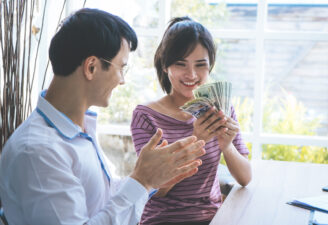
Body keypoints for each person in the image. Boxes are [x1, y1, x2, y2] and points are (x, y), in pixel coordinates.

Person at [0, 9, 207, 225]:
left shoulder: (78, 130)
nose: (122, 81)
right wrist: (142, 181)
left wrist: (151, 179)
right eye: (121, 68)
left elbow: (99, 198)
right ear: (91, 67)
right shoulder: (38, 151)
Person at [131, 17, 252, 225]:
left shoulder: (221, 109)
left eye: (200, 65)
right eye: (181, 64)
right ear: (165, 65)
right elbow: (154, 190)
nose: (192, 74)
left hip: (214, 217)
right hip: (163, 220)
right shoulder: (146, 116)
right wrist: (196, 140)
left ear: (210, 66)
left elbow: (245, 178)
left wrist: (227, 146)